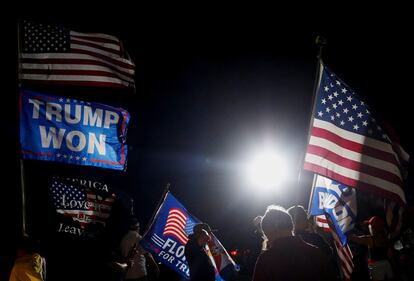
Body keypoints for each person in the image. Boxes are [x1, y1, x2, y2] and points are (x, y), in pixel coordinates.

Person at [252, 205, 336, 281]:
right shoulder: (316, 253)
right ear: (291, 226)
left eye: (266, 236)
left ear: (271, 232)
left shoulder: (266, 260)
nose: (268, 241)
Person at [349, 215, 395, 281]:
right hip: (387, 264)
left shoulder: (370, 239)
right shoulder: (386, 237)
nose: (369, 227)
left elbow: (355, 239)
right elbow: (390, 254)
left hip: (377, 266)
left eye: (370, 225)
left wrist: (348, 231)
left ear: (373, 227)